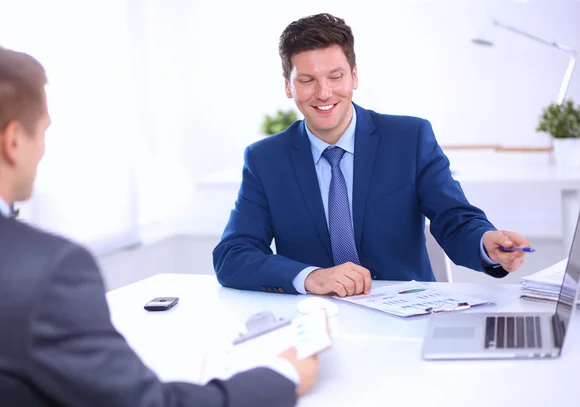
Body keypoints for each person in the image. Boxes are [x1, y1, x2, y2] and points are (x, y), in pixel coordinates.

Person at [0, 44, 318, 407]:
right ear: (14, 141)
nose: (43, 149)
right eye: (42, 132)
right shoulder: (47, 270)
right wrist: (283, 375)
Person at [213, 13, 532, 298]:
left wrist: (486, 243)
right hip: (316, 322)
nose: (324, 93)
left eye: (335, 77)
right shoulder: (265, 159)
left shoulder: (410, 138)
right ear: (288, 86)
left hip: (410, 316)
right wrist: (312, 277)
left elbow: (454, 219)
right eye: (307, 80)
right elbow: (233, 255)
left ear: (354, 76)